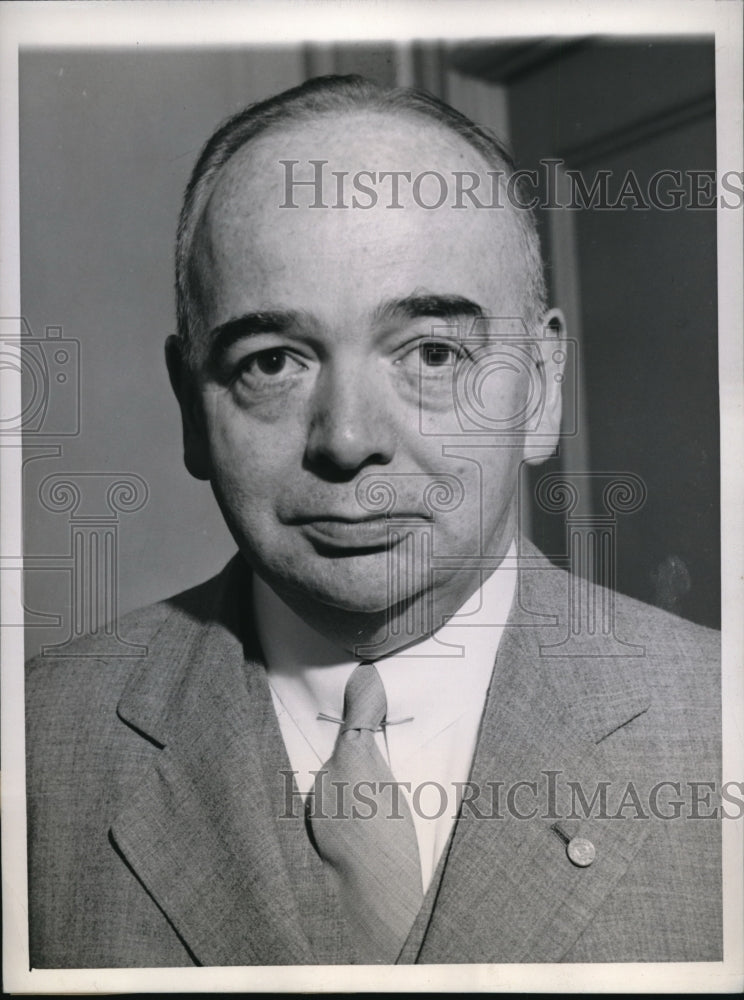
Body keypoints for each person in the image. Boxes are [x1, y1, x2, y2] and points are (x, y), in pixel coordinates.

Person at [25, 74, 721, 968]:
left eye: (432, 352)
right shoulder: (38, 745)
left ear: (542, 388)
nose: (348, 439)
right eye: (272, 360)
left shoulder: (715, 723)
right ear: (192, 411)